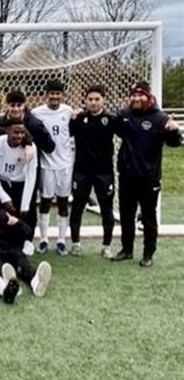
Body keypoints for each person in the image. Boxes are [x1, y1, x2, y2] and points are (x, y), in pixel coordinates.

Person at [112, 81, 182, 266]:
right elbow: (111, 127)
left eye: (140, 95)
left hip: (149, 177)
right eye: (133, 95)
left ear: (148, 97)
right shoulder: (124, 115)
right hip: (127, 175)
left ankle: (148, 254)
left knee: (149, 216)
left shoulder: (159, 118)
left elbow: (174, 143)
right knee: (127, 216)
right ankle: (126, 250)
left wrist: (174, 131)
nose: (136, 98)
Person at [0, 186, 52, 298]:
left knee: (21, 263)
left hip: (8, 247)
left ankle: (35, 282)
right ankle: (10, 284)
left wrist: (17, 223)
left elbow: (27, 231)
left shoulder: (0, 213)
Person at [69, 85, 119, 258]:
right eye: (90, 99)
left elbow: (128, 134)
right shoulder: (78, 118)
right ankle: (75, 244)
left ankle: (106, 246)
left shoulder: (112, 119)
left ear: (103, 100)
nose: (93, 102)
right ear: (85, 100)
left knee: (106, 209)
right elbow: (63, 135)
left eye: (97, 99)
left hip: (104, 173)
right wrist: (70, 118)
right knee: (77, 207)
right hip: (82, 171)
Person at [30, 80, 74, 256]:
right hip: (47, 164)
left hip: (66, 164)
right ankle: (43, 240)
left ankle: (62, 240)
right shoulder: (37, 113)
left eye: (58, 93)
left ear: (62, 95)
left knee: (63, 202)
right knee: (46, 201)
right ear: (46, 94)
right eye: (52, 93)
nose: (55, 96)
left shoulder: (68, 111)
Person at [0, 118, 39, 254]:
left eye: (22, 132)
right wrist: (3, 196)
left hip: (20, 182)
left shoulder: (31, 148)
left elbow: (31, 175)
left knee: (26, 211)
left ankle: (26, 242)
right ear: (7, 130)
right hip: (1, 181)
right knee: (0, 211)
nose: (19, 136)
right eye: (16, 132)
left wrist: (26, 203)